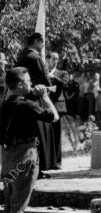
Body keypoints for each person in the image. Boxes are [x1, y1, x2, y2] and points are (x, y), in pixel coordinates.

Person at [0, 67, 58, 213]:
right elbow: (54, 117)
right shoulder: (27, 105)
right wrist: (44, 96)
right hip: (25, 156)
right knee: (19, 204)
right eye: (28, 81)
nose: (31, 84)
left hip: (7, 157)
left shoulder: (4, 105)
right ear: (19, 85)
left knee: (9, 204)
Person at [18, 33, 54, 176]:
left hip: (22, 99)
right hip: (35, 99)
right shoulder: (34, 57)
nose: (43, 46)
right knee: (37, 136)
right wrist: (49, 90)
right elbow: (44, 78)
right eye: (42, 42)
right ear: (36, 42)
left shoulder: (21, 56)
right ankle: (36, 169)